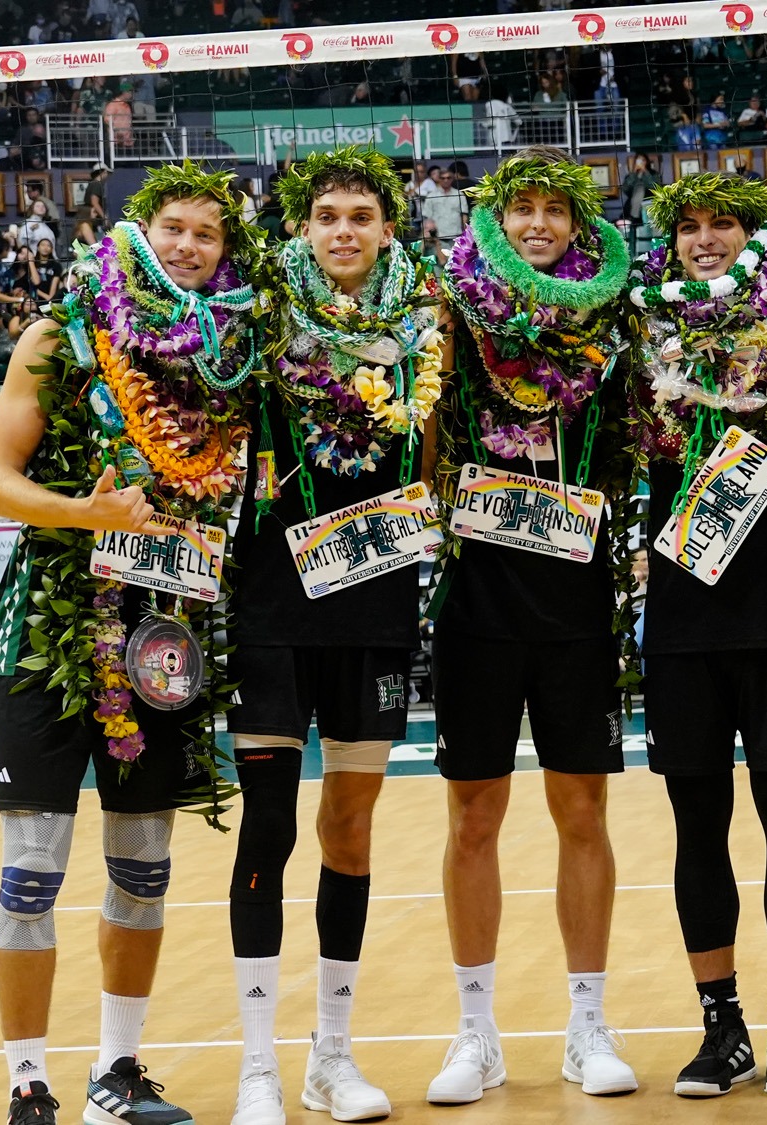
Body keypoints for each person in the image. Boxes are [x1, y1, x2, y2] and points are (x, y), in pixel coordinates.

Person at [0, 162, 263, 1125]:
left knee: (143, 866)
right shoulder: (61, 333)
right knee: (33, 866)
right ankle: (27, 1081)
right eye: (172, 226)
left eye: (206, 235)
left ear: (226, 252)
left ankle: (116, 1072)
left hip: (166, 632)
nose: (187, 245)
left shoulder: (230, 353)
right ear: (138, 234)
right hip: (54, 628)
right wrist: (84, 512)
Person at [222, 148, 447, 1125]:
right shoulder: (257, 314)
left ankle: (332, 1056)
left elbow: (433, 456)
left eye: (361, 214)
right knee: (269, 825)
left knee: (349, 830)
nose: (344, 229)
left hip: (374, 597)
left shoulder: (423, 327)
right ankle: (259, 1068)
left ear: (388, 227)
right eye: (327, 216)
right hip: (273, 603)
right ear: (303, 228)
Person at [427, 148, 637, 1104]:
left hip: (579, 598)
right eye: (525, 211)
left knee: (582, 814)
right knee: (473, 816)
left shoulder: (617, 321)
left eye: (559, 209)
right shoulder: (452, 313)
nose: (542, 223)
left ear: (581, 228)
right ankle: (476, 1033)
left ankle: (585, 1022)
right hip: (477, 597)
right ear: (497, 224)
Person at [626, 174, 767, 1096]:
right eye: (692, 227)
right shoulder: (637, 333)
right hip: (678, 614)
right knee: (695, 825)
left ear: (756, 236)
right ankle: (723, 1027)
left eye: (727, 225)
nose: (707, 240)